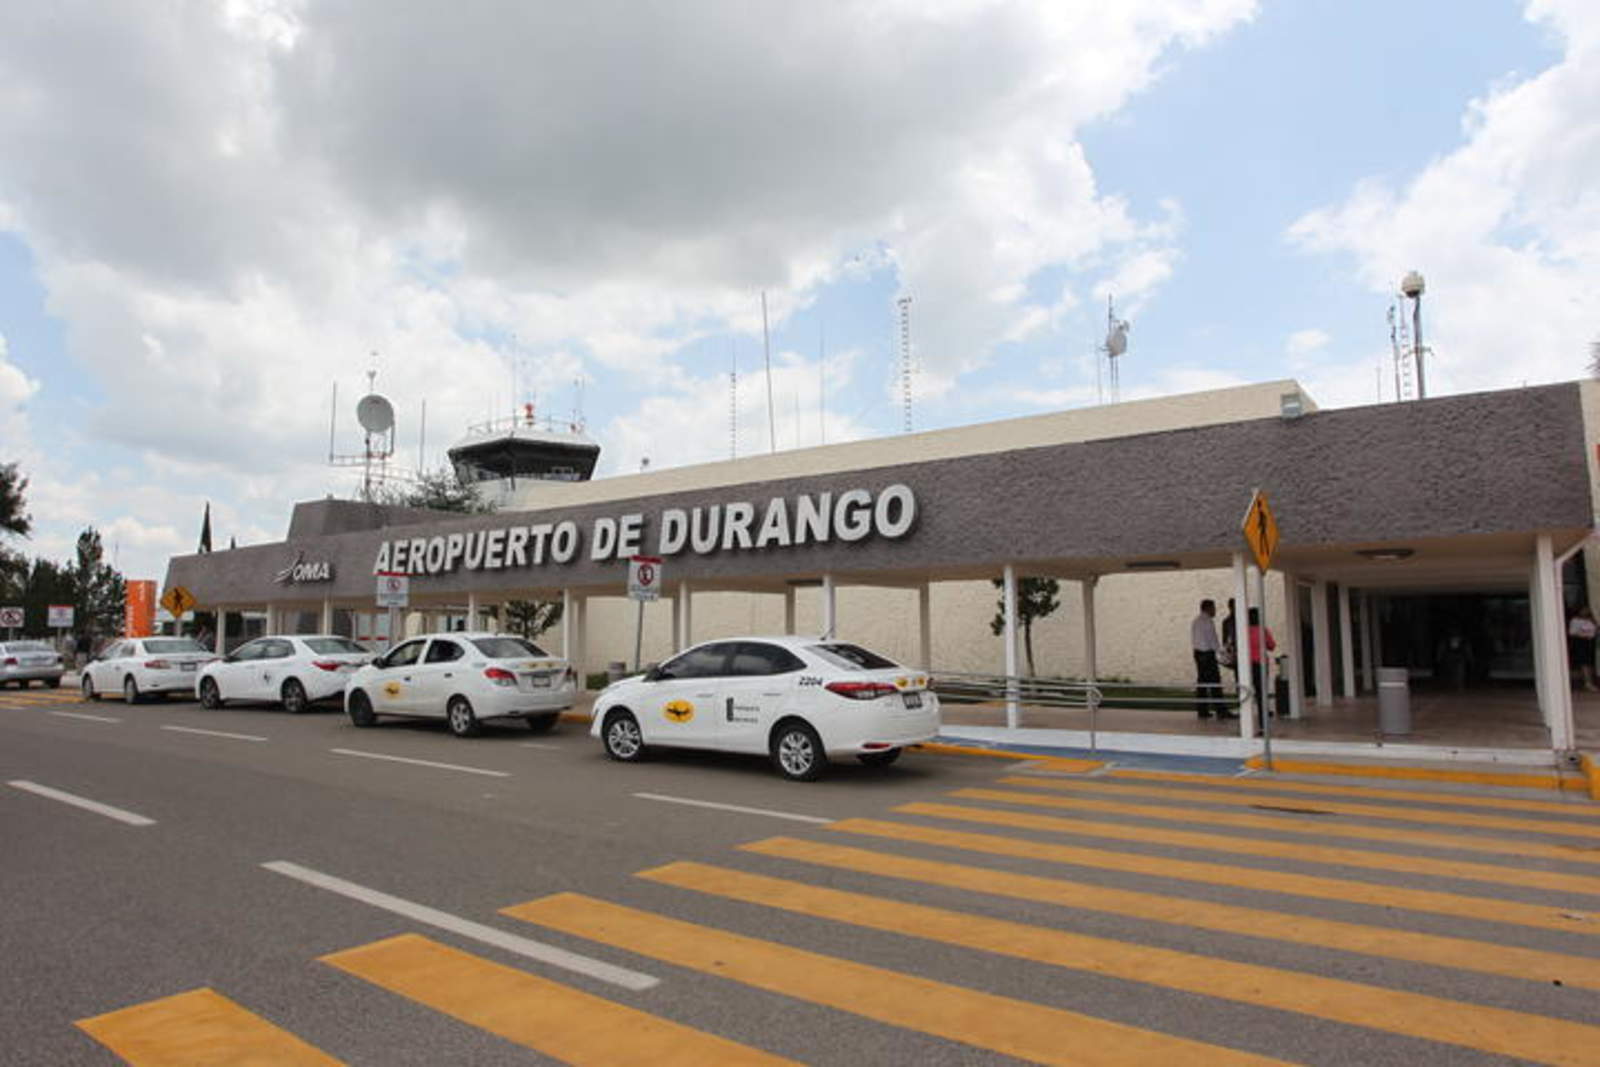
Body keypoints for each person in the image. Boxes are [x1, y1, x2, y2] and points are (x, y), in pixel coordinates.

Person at [1189, 599, 1231, 720]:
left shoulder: (1195, 621)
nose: (1215, 611)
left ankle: (1202, 710)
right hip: (1207, 655)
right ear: (1208, 608)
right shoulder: (1208, 621)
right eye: (1213, 608)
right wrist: (1223, 654)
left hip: (1198, 654)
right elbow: (1213, 641)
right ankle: (1221, 711)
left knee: (1202, 682)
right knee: (1215, 682)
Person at [1247, 606, 1276, 734]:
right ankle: (1263, 726)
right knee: (1261, 695)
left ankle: (1246, 726)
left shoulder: (1243, 631)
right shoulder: (1263, 631)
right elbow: (1272, 646)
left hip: (1247, 665)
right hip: (1261, 664)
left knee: (1246, 693)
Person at [1569, 606, 1598, 692]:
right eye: (1584, 609)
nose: (1586, 611)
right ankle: (1587, 682)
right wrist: (1584, 634)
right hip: (1580, 643)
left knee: (1590, 663)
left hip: (1590, 643)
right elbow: (1572, 632)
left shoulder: (1591, 620)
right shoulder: (1575, 620)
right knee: (1584, 663)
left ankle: (1590, 681)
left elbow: (1594, 631)